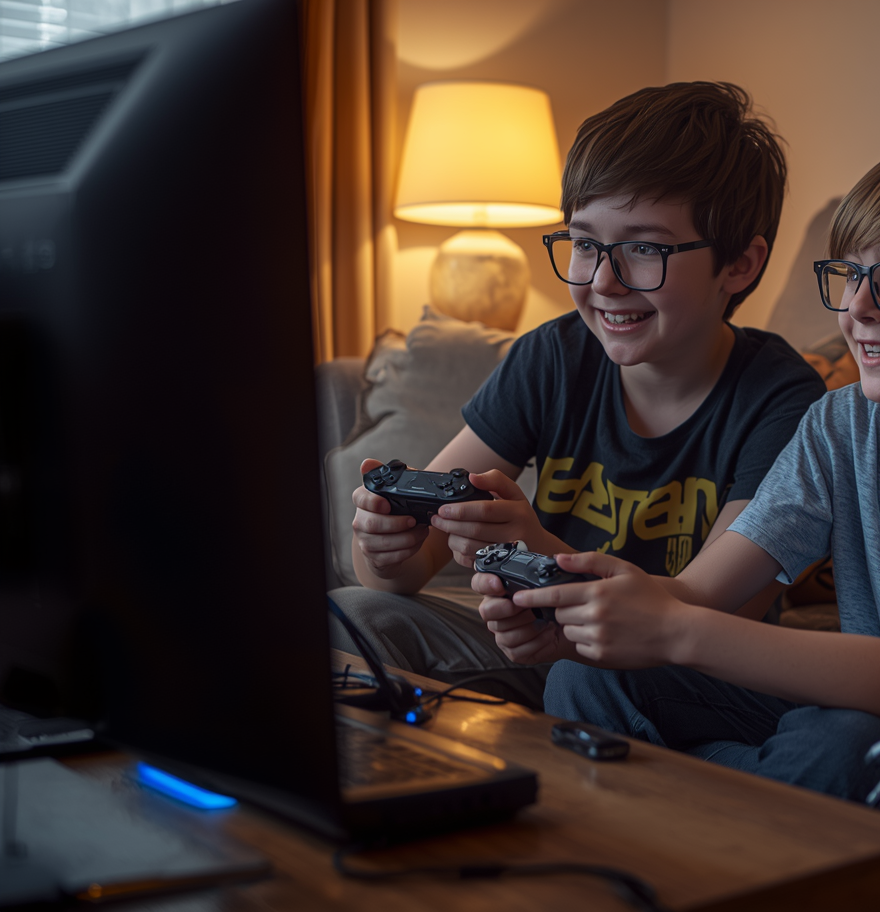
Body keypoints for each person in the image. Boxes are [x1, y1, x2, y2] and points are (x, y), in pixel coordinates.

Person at [485, 129, 880, 800]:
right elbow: (700, 595)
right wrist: (577, 616)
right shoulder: (842, 422)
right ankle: (733, 817)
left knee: (840, 748)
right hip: (866, 713)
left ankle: (701, 822)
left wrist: (672, 631)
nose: (858, 308)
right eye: (852, 274)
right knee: (590, 679)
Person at [331, 82, 825, 710]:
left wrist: (540, 552)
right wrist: (384, 544)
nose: (603, 282)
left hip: (683, 672)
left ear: (739, 265)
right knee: (353, 616)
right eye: (586, 244)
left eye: (644, 249)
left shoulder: (785, 403)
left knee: (589, 678)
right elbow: (399, 573)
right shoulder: (554, 357)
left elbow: (713, 612)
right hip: (541, 641)